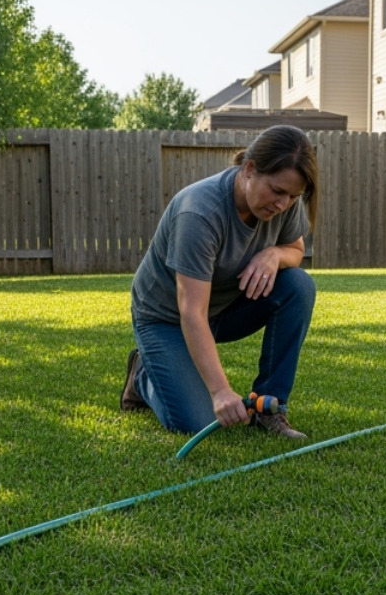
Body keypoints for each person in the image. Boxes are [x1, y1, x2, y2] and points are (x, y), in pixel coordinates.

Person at [120, 125, 317, 438]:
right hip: (166, 319)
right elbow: (191, 312)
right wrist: (221, 392)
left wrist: (274, 255)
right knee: (197, 421)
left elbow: (296, 250)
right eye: (278, 191)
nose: (283, 204)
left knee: (298, 285)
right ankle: (143, 376)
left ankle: (270, 407)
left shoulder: (284, 204)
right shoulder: (199, 211)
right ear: (249, 169)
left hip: (223, 310)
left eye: (293, 196)